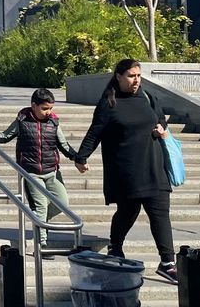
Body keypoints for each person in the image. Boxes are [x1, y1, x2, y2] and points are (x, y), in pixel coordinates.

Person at [75, 58, 177, 284]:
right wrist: (81, 157)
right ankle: (116, 246)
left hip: (153, 164)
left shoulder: (148, 97)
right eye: (132, 76)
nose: (136, 80)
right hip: (126, 168)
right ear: (119, 76)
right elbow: (95, 132)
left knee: (160, 213)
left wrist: (161, 128)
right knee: (128, 211)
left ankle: (167, 263)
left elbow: (160, 119)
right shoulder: (109, 103)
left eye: (139, 76)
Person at [0, 88, 80, 247]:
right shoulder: (22, 121)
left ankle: (41, 222)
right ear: (34, 106)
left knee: (63, 203)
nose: (48, 112)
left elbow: (64, 145)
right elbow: (5, 136)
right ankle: (42, 243)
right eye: (44, 108)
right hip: (31, 172)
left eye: (51, 108)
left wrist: (78, 158)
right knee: (40, 207)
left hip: (52, 171)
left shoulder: (53, 122)